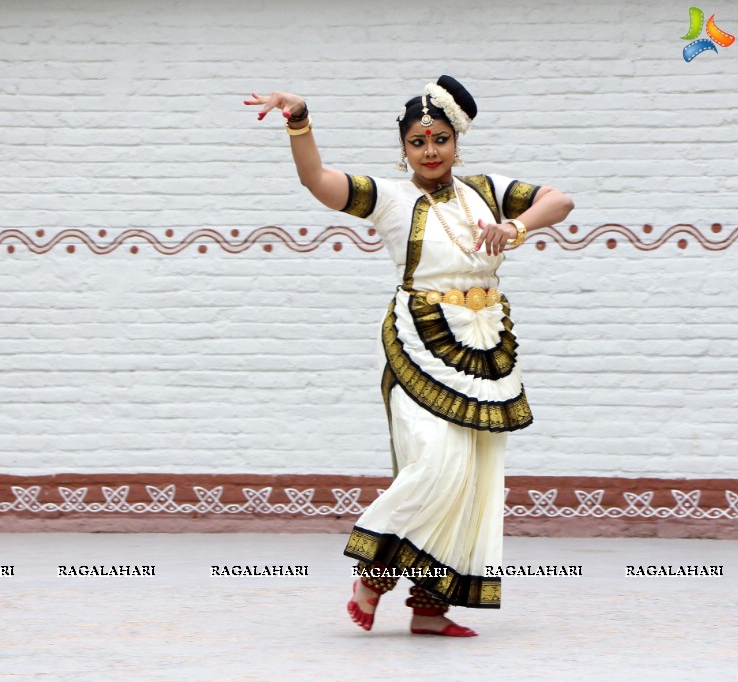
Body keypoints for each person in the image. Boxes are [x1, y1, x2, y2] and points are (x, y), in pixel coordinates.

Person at [245, 76, 573, 637]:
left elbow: (560, 200)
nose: (429, 151)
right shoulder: (390, 196)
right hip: (420, 341)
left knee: (473, 473)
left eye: (439, 140)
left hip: (484, 340)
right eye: (418, 143)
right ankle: (374, 575)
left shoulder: (487, 191)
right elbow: (317, 181)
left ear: (455, 142)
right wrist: (300, 122)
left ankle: (430, 607)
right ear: (404, 149)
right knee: (434, 465)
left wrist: (514, 226)